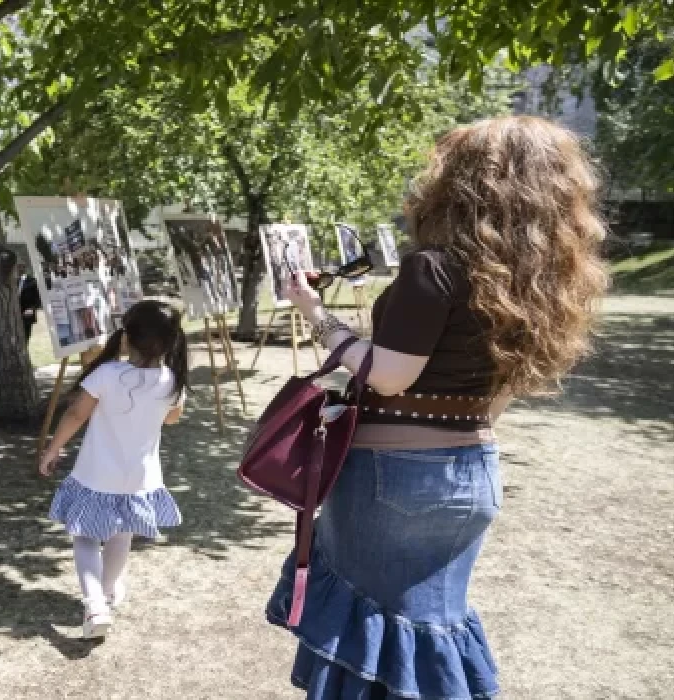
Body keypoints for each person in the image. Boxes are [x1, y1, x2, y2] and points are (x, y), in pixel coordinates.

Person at [266, 116, 609, 700]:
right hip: (473, 475)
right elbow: (501, 392)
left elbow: (393, 376)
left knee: (371, 638)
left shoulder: (435, 267)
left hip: (392, 482)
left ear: (462, 182)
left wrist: (316, 314)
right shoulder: (538, 280)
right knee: (430, 630)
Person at [38, 300, 190, 639]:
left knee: (86, 537)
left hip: (96, 474)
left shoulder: (107, 374)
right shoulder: (171, 380)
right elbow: (171, 418)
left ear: (127, 337)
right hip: (140, 478)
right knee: (122, 536)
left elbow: (76, 414)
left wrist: (53, 448)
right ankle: (105, 594)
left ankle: (95, 604)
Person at [17, 262, 42, 343]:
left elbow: (38, 298)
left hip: (27, 312)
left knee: (26, 335)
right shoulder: (12, 281)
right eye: (18, 267)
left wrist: (32, 308)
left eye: (22, 267)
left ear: (25, 268)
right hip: (15, 314)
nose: (20, 269)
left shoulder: (32, 281)